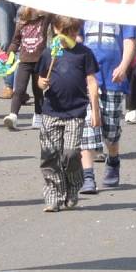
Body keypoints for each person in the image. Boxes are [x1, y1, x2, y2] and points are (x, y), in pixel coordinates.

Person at [36, 16, 100, 211]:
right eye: (66, 31)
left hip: (75, 111)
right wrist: (42, 83)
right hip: (51, 111)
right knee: (50, 155)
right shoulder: (49, 53)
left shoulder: (84, 53)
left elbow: (91, 82)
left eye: (73, 32)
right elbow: (39, 79)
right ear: (56, 30)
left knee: (70, 153)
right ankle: (54, 194)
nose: (70, 36)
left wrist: (95, 110)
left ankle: (74, 184)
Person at [79, 21, 136, 193]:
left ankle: (113, 159)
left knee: (111, 131)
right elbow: (78, 36)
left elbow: (129, 41)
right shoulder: (84, 10)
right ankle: (88, 176)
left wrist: (124, 66)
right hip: (88, 77)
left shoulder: (122, 12)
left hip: (113, 78)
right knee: (88, 128)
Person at [3, 6, 51, 130]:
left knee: (38, 91)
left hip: (39, 61)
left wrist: (43, 10)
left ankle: (38, 115)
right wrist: (9, 54)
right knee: (19, 89)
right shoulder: (21, 24)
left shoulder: (44, 20)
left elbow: (52, 12)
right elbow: (15, 41)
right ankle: (13, 115)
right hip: (24, 61)